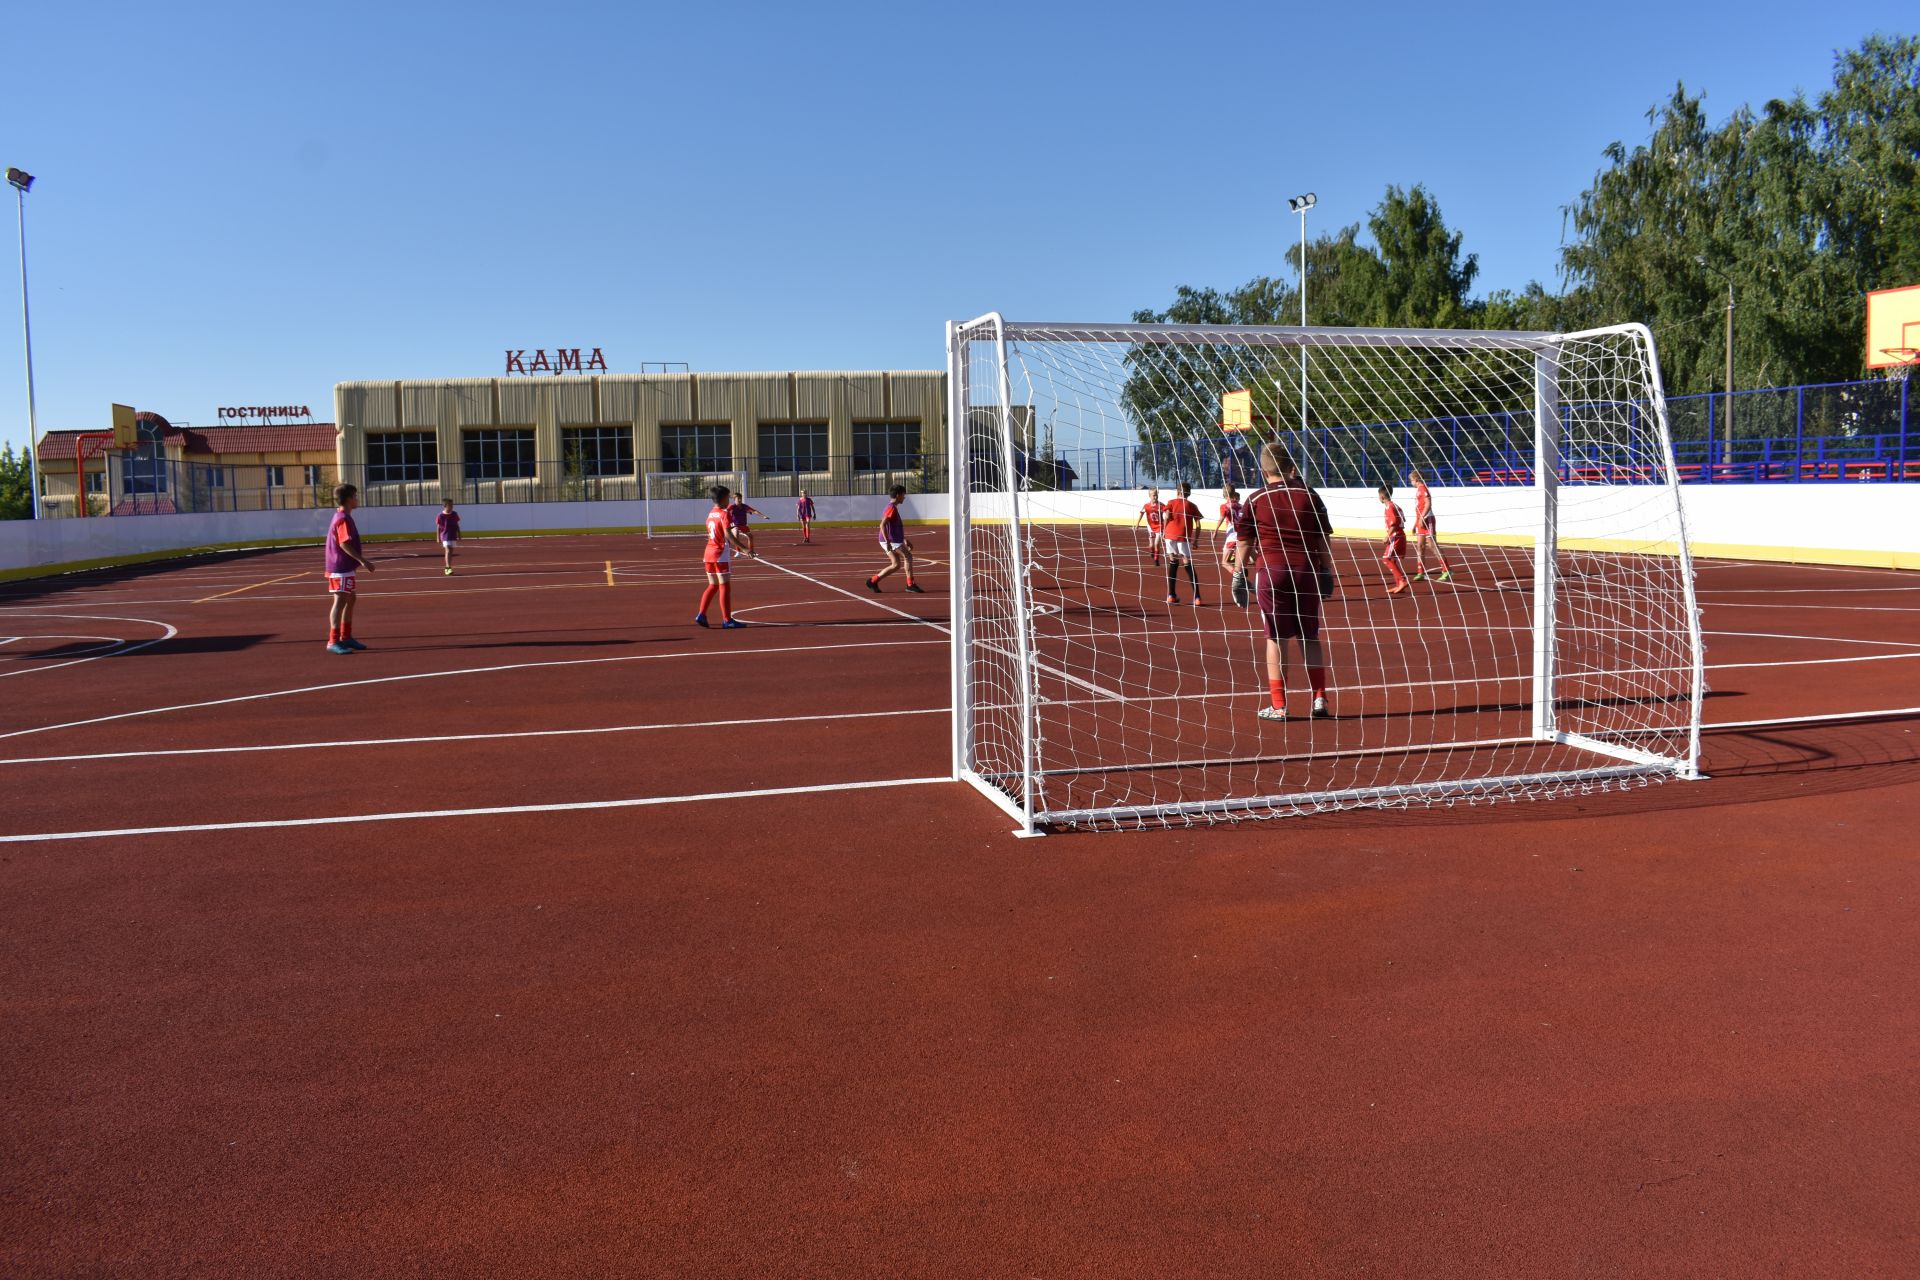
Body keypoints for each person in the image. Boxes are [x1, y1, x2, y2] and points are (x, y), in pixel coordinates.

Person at [1234, 444, 1335, 720]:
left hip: (1271, 572)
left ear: (1264, 470)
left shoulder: (1255, 499)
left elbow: (1244, 542)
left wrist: (1237, 574)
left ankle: (1279, 705)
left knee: (1276, 638)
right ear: (1289, 466)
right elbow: (1322, 538)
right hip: (1305, 570)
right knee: (1310, 636)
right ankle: (1319, 699)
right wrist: (1327, 571)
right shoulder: (1309, 495)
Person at [324, 483, 376, 655]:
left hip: (344, 566)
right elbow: (344, 543)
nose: (357, 499)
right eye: (355, 496)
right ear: (348, 499)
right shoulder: (343, 519)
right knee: (339, 601)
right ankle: (333, 640)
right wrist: (363, 561)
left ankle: (346, 636)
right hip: (340, 566)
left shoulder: (342, 515)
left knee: (351, 598)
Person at [696, 486, 748, 629]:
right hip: (720, 553)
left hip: (708, 553)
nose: (729, 500)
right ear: (723, 498)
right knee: (725, 586)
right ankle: (727, 620)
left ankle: (701, 614)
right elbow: (729, 536)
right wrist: (744, 549)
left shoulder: (711, 513)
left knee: (713, 585)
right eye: (728, 497)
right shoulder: (725, 514)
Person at [865, 485, 924, 593]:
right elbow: (882, 525)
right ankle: (910, 584)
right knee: (908, 556)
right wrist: (888, 542)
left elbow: (893, 527)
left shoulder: (892, 507)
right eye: (903, 495)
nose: (904, 497)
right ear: (898, 495)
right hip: (890, 541)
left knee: (896, 564)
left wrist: (904, 539)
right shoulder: (891, 508)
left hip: (891, 540)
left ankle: (873, 581)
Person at [1161, 482, 1205, 605]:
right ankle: (1197, 597)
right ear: (1189, 493)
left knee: (1173, 562)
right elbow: (1198, 524)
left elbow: (1167, 516)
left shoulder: (1171, 502)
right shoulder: (1191, 505)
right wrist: (1196, 540)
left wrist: (1164, 531)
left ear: (1177, 492)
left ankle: (1171, 595)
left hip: (1170, 535)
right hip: (1183, 536)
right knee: (1187, 564)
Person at [1407, 469, 1453, 582]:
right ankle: (1420, 572)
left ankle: (1446, 570)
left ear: (1416, 479)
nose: (1411, 483)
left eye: (1411, 480)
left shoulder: (1423, 488)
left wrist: (1422, 518)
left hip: (1428, 520)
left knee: (1432, 545)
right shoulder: (1418, 490)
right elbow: (1419, 508)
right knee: (1420, 546)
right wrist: (1415, 523)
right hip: (1421, 521)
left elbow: (1428, 503)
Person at [1217, 482, 1248, 606]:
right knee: (1238, 560)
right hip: (1241, 537)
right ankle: (1240, 573)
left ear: (1224, 494)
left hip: (1231, 537)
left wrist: (1215, 530)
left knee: (1224, 562)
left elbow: (1221, 517)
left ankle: (1238, 576)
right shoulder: (1240, 505)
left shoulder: (1224, 506)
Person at [1378, 484, 1411, 596]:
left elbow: (1395, 523)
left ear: (1382, 496)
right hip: (1400, 535)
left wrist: (1388, 535)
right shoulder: (1396, 506)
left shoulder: (1390, 507)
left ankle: (1402, 580)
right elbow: (1403, 520)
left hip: (1396, 536)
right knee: (1392, 559)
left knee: (1386, 559)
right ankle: (1399, 584)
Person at [728, 493, 765, 558]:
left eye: (740, 498)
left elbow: (754, 511)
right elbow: (725, 511)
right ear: (734, 500)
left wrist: (762, 516)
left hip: (743, 524)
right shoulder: (732, 507)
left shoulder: (744, 506)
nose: (739, 500)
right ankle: (738, 552)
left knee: (750, 537)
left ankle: (752, 551)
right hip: (735, 525)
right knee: (736, 533)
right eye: (738, 499)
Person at [1136, 487, 1165, 565]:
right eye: (1153, 495)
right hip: (1151, 527)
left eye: (1156, 495)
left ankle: (1156, 559)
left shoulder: (1161, 505)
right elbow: (1141, 513)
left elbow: (1167, 513)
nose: (1155, 497)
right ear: (1150, 496)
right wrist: (1137, 524)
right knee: (1151, 545)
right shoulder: (1146, 506)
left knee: (1156, 543)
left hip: (1159, 526)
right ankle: (1152, 551)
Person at [435, 499, 461, 575]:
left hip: (452, 534)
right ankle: (448, 567)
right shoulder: (441, 516)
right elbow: (438, 527)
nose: (452, 506)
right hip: (445, 535)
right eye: (450, 505)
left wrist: (459, 534)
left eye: (452, 505)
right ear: (445, 506)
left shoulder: (454, 514)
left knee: (450, 551)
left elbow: (457, 524)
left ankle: (447, 567)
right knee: (448, 550)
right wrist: (437, 537)